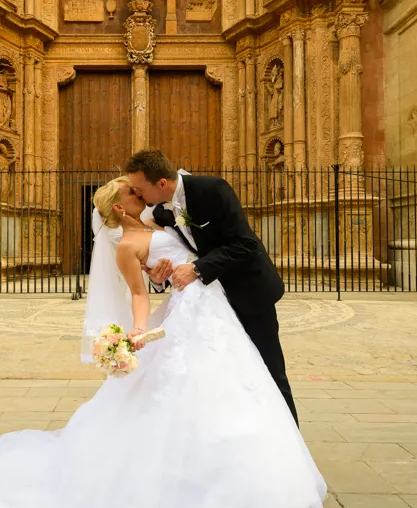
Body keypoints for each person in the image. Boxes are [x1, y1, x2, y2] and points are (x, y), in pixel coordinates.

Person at [0, 175, 326, 508]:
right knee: (190, 389)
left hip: (217, 306)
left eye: (140, 189)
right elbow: (138, 293)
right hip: (187, 314)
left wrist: (170, 267)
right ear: (120, 206)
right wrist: (138, 327)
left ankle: (270, 468)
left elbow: (200, 247)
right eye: (134, 194)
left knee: (247, 382)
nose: (143, 196)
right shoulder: (126, 247)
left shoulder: (162, 219)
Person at [125, 148, 298, 422]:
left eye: (139, 188)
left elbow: (246, 244)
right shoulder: (161, 211)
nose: (137, 194)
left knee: (269, 371)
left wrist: (197, 269)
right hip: (209, 304)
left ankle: (291, 444)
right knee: (228, 375)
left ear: (161, 183)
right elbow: (169, 255)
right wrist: (158, 278)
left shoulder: (212, 189)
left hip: (248, 292)